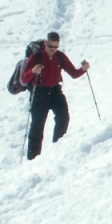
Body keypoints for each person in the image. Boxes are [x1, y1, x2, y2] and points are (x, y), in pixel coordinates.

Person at [20, 32, 90, 161]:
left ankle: (57, 150)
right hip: (39, 93)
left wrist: (83, 69)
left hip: (55, 92)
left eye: (56, 47)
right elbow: (24, 79)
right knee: (37, 126)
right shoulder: (36, 57)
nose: (53, 49)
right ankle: (33, 158)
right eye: (50, 46)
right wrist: (33, 71)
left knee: (63, 118)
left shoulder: (60, 56)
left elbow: (73, 73)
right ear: (45, 43)